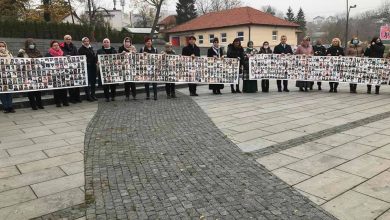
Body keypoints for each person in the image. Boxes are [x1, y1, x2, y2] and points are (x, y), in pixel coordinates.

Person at [18, 38, 44, 110]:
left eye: (32, 43)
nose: (31, 45)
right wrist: (20, 54)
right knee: (31, 90)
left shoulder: (37, 51)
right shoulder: (23, 52)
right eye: (30, 44)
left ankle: (39, 104)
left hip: (37, 73)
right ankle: (33, 105)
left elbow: (42, 59)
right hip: (28, 74)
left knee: (38, 90)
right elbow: (19, 61)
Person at [46, 40, 69, 107]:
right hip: (54, 74)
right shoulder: (48, 54)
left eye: (57, 45)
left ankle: (65, 101)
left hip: (62, 73)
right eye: (54, 45)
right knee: (56, 89)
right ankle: (58, 102)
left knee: (64, 88)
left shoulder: (63, 53)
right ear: (52, 47)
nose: (56, 47)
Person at [60, 35, 80, 103]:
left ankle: (77, 97)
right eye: (67, 39)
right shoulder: (61, 47)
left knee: (76, 83)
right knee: (70, 84)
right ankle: (72, 99)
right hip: (65, 67)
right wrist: (65, 56)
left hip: (73, 67)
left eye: (70, 39)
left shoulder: (74, 47)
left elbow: (77, 55)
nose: (68, 40)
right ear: (64, 39)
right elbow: (61, 54)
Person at [78, 37, 97, 101]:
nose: (86, 42)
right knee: (87, 82)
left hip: (93, 67)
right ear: (82, 42)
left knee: (93, 82)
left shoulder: (90, 48)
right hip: (86, 67)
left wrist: (96, 60)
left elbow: (94, 57)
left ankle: (93, 95)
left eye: (87, 41)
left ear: (89, 42)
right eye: (85, 41)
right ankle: (88, 96)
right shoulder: (81, 49)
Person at [0, 41, 15, 113]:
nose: (2, 47)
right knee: (2, 92)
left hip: (9, 75)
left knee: (10, 91)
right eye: (0, 46)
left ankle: (10, 106)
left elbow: (13, 63)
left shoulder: (9, 54)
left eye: (3, 46)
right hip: (0, 76)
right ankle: (5, 107)